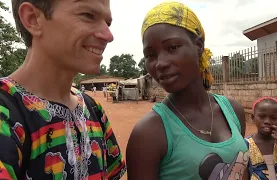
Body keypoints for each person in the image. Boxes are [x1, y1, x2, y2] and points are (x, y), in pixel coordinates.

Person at [0, 0, 126, 179]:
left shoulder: (94, 110)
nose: (108, 35)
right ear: (33, 18)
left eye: (108, 23)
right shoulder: (5, 114)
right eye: (88, 16)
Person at [126, 2, 249, 179]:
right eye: (150, 55)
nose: (160, 63)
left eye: (172, 48)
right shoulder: (149, 134)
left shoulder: (232, 111)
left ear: (198, 46)